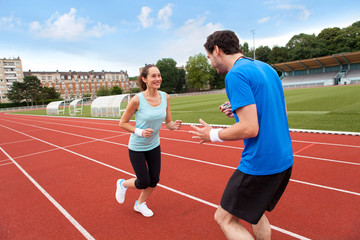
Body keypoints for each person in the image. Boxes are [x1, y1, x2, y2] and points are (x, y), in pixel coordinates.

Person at [190, 30, 293, 239]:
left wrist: (213, 134)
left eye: (209, 57)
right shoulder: (266, 68)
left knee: (224, 218)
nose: (211, 63)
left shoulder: (235, 74)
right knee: (256, 213)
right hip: (284, 157)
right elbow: (268, 109)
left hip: (261, 162)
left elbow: (250, 128)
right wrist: (236, 109)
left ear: (217, 50)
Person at [117, 64, 182, 217]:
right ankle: (122, 184)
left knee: (154, 180)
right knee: (143, 182)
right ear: (144, 79)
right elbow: (122, 123)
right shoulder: (136, 100)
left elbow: (168, 122)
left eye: (159, 75)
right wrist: (140, 131)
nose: (158, 79)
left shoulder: (165, 96)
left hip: (154, 145)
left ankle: (139, 204)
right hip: (137, 147)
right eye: (153, 76)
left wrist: (174, 126)